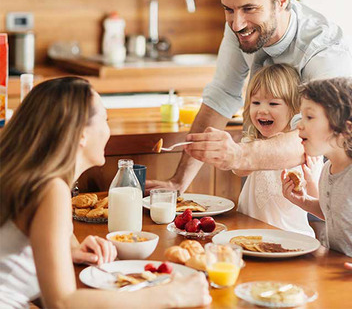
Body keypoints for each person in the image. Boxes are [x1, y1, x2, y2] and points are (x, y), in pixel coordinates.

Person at [146, 0, 352, 194]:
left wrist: (239, 154)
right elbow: (221, 97)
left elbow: (314, 138)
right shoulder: (242, 26)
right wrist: (178, 181)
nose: (237, 23)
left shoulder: (325, 51)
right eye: (229, 9)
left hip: (323, 189)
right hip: (261, 176)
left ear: (282, 0)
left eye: (249, 9)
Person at [0, 77, 211, 308]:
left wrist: (64, 250)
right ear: (80, 133)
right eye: (105, 119)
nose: (108, 131)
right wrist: (171, 295)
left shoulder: (24, 176)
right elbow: (60, 303)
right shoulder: (51, 189)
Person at [234, 64, 321, 236]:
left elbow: (319, 202)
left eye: (273, 103)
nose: (262, 110)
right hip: (248, 233)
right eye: (255, 102)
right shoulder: (253, 142)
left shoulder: (303, 149)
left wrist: (311, 180)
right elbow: (238, 169)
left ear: (295, 110)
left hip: (290, 236)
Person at [281, 77, 352, 260]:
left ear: (344, 128)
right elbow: (335, 213)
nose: (299, 124)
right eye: (301, 117)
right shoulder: (327, 169)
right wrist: (304, 201)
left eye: (309, 117)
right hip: (336, 270)